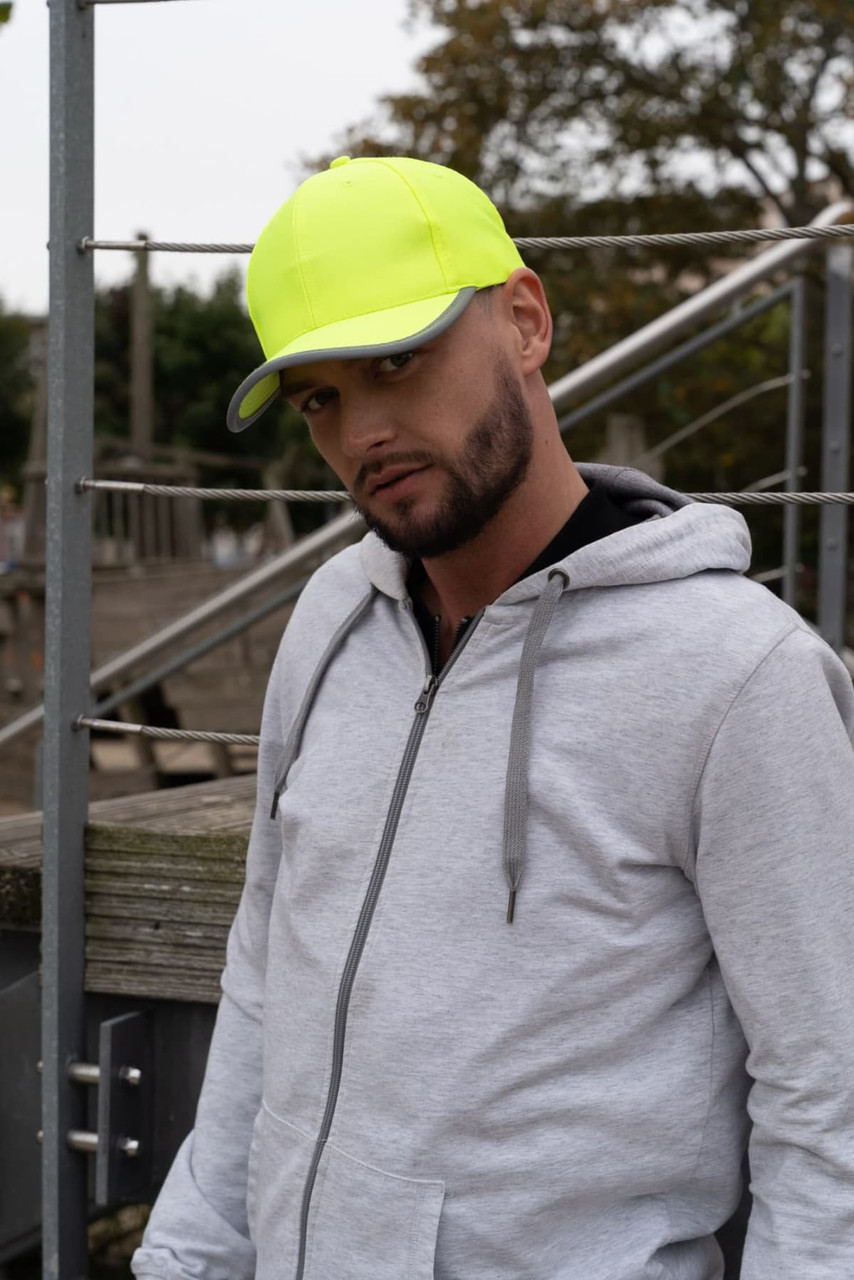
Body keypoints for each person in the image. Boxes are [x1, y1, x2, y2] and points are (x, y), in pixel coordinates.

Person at [132, 156, 854, 1280]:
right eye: (321, 396)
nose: (362, 431)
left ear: (523, 319)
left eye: (395, 361)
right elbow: (267, 961)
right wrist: (182, 1254)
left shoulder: (740, 673)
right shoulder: (328, 621)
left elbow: (830, 1102)